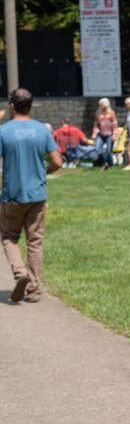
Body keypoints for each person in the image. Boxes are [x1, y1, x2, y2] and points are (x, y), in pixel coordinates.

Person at [0, 89, 62, 303]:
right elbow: (58, 162)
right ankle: (34, 290)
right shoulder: (42, 130)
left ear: (11, 105)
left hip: (12, 195)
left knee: (9, 237)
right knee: (35, 242)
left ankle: (20, 272)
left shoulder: (3, 131)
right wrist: (43, 173)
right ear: (31, 105)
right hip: (37, 195)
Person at [91, 97, 117, 170]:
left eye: (103, 104)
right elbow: (96, 125)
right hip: (101, 134)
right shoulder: (98, 113)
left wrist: (114, 135)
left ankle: (110, 165)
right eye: (101, 105)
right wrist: (94, 134)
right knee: (98, 149)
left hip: (109, 134)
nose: (102, 106)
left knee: (109, 151)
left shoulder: (111, 113)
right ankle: (103, 163)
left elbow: (115, 125)